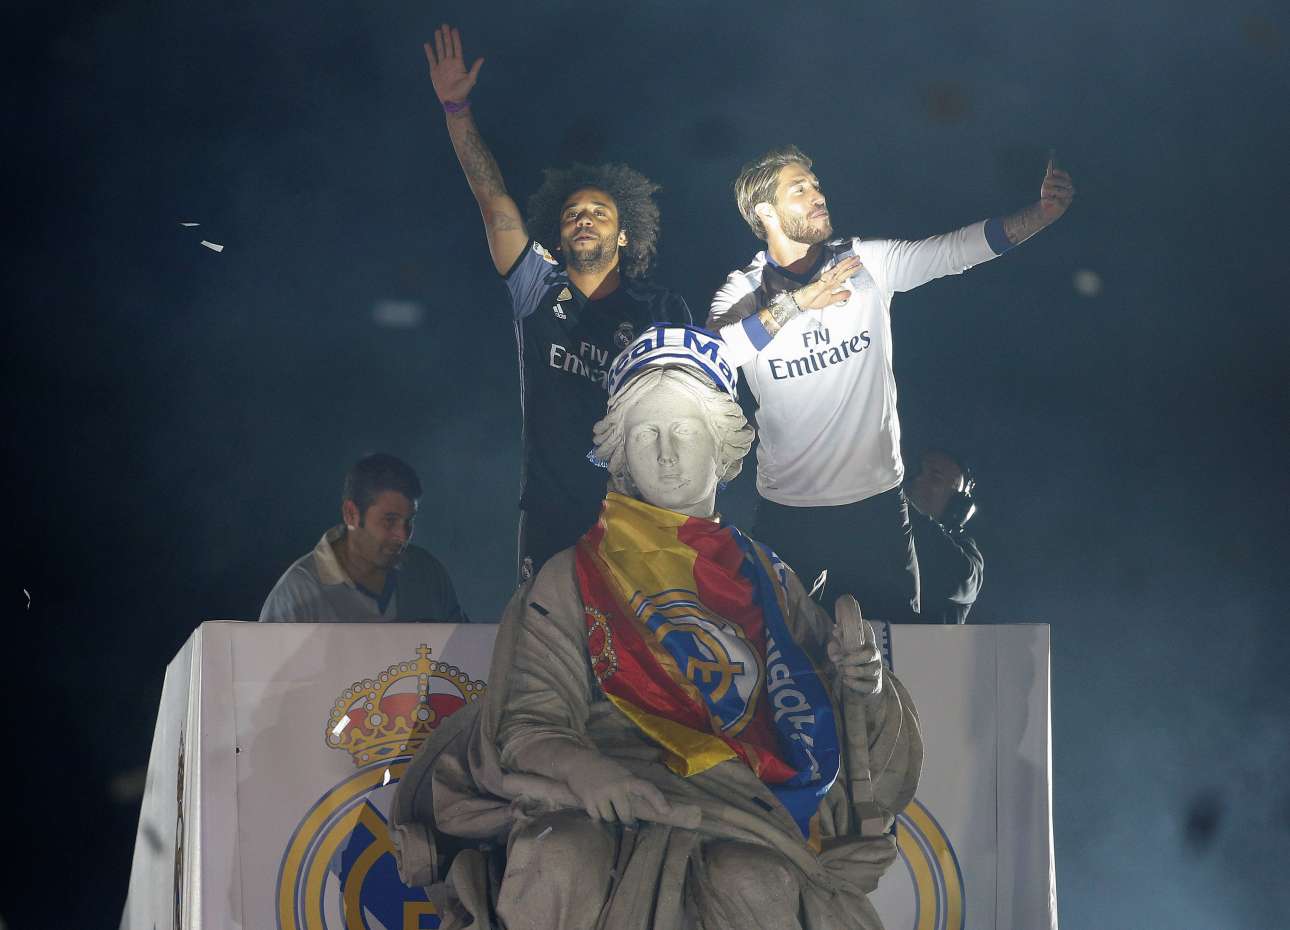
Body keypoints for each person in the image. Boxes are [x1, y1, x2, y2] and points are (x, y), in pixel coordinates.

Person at [390, 327, 922, 930]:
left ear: (721, 447)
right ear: (621, 454)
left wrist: (862, 687)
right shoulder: (573, 576)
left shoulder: (771, 581)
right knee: (560, 856)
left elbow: (825, 724)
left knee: (754, 881)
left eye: (686, 431)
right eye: (647, 434)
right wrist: (587, 772)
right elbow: (529, 724)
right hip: (601, 793)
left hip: (742, 805)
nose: (667, 453)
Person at [707, 145, 1074, 622]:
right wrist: (796, 305)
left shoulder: (864, 262)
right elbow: (715, 355)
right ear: (765, 212)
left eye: (816, 186)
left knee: (891, 656)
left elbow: (953, 251)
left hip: (877, 510)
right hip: (788, 511)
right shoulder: (743, 290)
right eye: (800, 190)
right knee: (769, 648)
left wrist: (1040, 215)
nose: (818, 196)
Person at [422, 25, 692, 582]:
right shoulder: (537, 287)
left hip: (638, 517)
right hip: (550, 517)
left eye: (599, 213)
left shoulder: (659, 309)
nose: (584, 218)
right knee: (545, 639)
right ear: (559, 233)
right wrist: (456, 110)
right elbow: (493, 201)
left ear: (624, 235)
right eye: (573, 214)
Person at [259, 453, 466, 622]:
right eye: (389, 521)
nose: (403, 535)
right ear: (351, 514)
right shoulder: (296, 594)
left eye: (409, 521)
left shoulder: (428, 574)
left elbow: (465, 652)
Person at [905, 448, 983, 624]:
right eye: (919, 471)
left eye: (935, 477)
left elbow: (958, 579)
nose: (919, 479)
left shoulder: (967, 551)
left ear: (956, 505)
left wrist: (902, 508)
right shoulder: (883, 531)